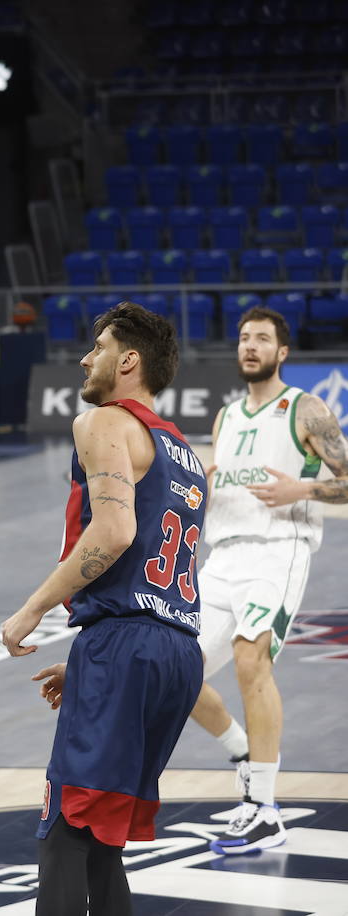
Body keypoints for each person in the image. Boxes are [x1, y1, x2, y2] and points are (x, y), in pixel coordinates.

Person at [1, 302, 204, 915]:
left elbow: (115, 532)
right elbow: (170, 566)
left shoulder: (102, 423)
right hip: (175, 652)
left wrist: (34, 607)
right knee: (102, 842)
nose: (87, 358)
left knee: (64, 831)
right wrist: (93, 666)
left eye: (98, 346)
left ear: (129, 360)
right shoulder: (184, 451)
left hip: (127, 646)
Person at [186, 306, 348, 855]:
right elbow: (215, 485)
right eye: (243, 338)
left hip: (279, 550)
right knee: (174, 668)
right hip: (222, 557)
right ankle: (240, 752)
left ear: (283, 352)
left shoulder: (306, 409)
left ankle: (264, 809)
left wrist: (300, 491)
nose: (249, 346)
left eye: (262, 339)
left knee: (252, 660)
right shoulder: (226, 418)